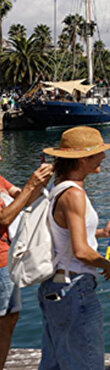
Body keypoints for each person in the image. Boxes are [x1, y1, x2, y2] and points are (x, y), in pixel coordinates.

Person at [38, 126, 110, 370]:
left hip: (53, 285)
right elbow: (81, 251)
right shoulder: (74, 195)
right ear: (83, 159)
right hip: (75, 287)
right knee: (86, 362)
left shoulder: (58, 188)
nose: (103, 157)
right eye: (98, 153)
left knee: (55, 362)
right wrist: (105, 263)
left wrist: (102, 233)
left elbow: (63, 233)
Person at [0, 154, 54, 368]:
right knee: (3, 317)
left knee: (10, 317)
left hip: (6, 258)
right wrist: (31, 184)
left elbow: (21, 198)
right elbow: (4, 218)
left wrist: (40, 183)